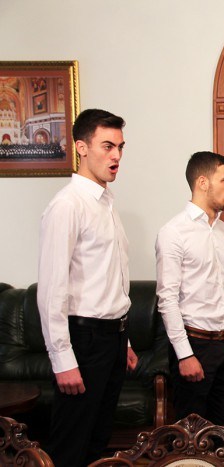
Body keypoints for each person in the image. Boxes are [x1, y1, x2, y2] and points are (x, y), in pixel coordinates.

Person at [37, 108, 138, 466]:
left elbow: (109, 281)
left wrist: (124, 341)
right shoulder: (67, 205)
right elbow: (51, 289)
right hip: (84, 340)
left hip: (112, 339)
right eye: (107, 146)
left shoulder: (106, 203)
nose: (116, 156)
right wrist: (62, 359)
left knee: (98, 441)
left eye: (120, 147)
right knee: (71, 446)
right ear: (81, 147)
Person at [156, 151, 224, 427]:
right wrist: (185, 354)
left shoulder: (221, 230)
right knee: (190, 435)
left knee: (222, 430)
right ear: (202, 183)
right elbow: (167, 299)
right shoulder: (173, 232)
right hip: (195, 343)